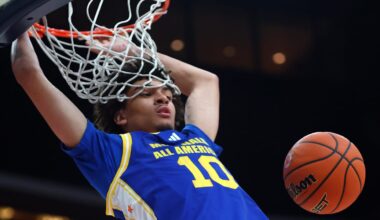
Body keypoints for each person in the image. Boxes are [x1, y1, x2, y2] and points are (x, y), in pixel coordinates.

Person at [11, 32, 268, 220]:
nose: (163, 97)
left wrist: (132, 51)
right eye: (146, 93)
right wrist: (18, 25)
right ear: (120, 115)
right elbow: (28, 73)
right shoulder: (109, 152)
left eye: (167, 94)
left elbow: (206, 81)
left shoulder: (197, 139)